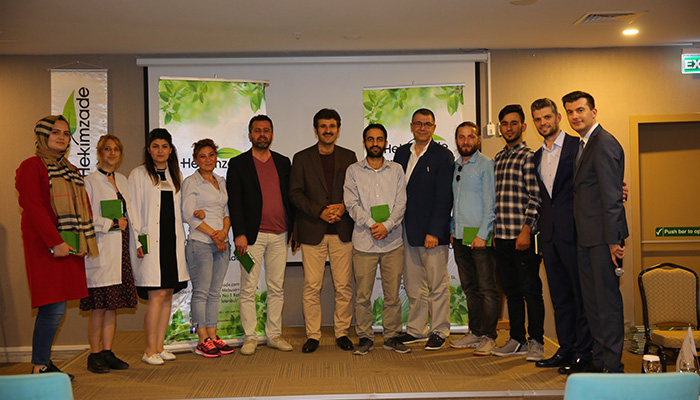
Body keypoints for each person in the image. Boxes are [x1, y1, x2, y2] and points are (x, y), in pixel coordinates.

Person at [16, 115, 99, 380]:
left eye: (65, 133)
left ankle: (43, 363)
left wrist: (82, 241)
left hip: (68, 245)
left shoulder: (71, 169)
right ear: (42, 136)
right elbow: (33, 208)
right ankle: (40, 366)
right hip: (45, 246)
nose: (62, 137)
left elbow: (82, 207)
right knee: (51, 307)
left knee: (57, 307)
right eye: (55, 132)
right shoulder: (31, 166)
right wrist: (55, 242)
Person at [563, 90, 628, 373]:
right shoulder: (585, 144)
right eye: (570, 112)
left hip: (603, 240)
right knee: (593, 305)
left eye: (580, 110)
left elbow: (612, 196)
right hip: (587, 238)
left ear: (593, 112)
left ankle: (612, 367)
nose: (575, 116)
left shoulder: (603, 142)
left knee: (607, 305)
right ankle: (600, 361)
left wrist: (614, 241)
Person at [530, 98, 593, 373]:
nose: (543, 123)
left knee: (580, 297)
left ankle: (583, 352)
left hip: (576, 234)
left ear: (557, 117)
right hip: (550, 237)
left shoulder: (578, 146)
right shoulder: (536, 156)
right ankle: (565, 348)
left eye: (547, 117)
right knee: (560, 299)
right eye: (537, 119)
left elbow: (592, 182)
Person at [290, 108, 357, 353]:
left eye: (332, 126)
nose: (328, 130)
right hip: (312, 230)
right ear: (316, 129)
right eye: (323, 126)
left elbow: (356, 191)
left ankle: (342, 332)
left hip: (342, 231)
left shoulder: (349, 156)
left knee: (344, 286)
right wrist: (319, 211)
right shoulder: (301, 158)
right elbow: (295, 193)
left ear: (338, 130)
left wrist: (343, 207)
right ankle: (313, 335)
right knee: (312, 286)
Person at [227, 115, 295, 355]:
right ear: (250, 135)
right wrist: (239, 233)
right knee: (248, 288)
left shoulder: (283, 162)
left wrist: (294, 230)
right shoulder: (238, 164)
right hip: (251, 238)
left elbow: (291, 198)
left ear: (272, 135)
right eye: (257, 130)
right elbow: (235, 202)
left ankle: (274, 334)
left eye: (266, 130)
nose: (262, 134)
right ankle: (250, 337)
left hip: (280, 234)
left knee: (277, 287)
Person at [343, 123, 409, 355]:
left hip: (392, 242)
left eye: (379, 139)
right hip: (364, 242)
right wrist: (373, 225)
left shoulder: (397, 170)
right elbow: (351, 204)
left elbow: (401, 203)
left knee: (393, 295)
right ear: (364, 143)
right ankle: (365, 337)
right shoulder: (353, 171)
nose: (375, 143)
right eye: (370, 139)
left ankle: (392, 336)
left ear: (386, 143)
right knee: (362, 296)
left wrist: (387, 226)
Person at [394, 108, 454, 351]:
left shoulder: (443, 155)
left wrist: (435, 231)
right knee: (413, 284)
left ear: (434, 128)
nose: (422, 128)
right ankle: (416, 330)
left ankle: (440, 330)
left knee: (437, 284)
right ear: (411, 127)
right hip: (407, 230)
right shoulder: (401, 153)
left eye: (427, 124)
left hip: (432, 233)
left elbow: (444, 196)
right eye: (418, 124)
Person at [128, 128, 189, 365]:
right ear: (149, 150)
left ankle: (160, 346)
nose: (160, 151)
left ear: (171, 150)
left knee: (167, 296)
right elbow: (132, 210)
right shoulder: (138, 174)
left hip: (171, 243)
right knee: (156, 295)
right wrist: (138, 241)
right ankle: (149, 350)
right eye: (155, 146)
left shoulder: (175, 175)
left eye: (164, 146)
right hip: (151, 243)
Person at [491, 104, 544, 361]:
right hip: (501, 237)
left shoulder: (529, 157)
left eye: (514, 123)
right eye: (504, 123)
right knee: (511, 291)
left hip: (523, 237)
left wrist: (526, 231)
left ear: (523, 126)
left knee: (530, 291)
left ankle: (537, 341)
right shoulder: (498, 159)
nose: (509, 128)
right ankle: (517, 339)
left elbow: (535, 197)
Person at [80, 134, 138, 373]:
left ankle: (107, 351)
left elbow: (132, 214)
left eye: (116, 149)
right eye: (107, 149)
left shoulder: (122, 180)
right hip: (102, 250)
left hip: (121, 250)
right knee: (99, 307)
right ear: (99, 152)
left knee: (112, 306)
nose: (112, 153)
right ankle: (94, 354)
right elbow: (85, 216)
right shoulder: (89, 182)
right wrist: (111, 224)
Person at [448, 122, 498, 356]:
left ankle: (489, 336)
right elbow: (455, 202)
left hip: (480, 238)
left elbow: (490, 203)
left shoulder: (486, 164)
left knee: (486, 288)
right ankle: (475, 332)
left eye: (470, 137)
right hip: (460, 236)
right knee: (470, 288)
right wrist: (452, 229)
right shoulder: (456, 165)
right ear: (456, 140)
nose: (466, 141)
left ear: (478, 139)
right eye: (461, 137)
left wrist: (482, 234)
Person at [182, 138, 233, 358]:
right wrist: (214, 234)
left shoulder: (221, 181)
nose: (207, 159)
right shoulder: (191, 182)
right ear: (195, 160)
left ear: (216, 157)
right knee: (201, 292)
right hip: (200, 243)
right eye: (202, 156)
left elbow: (226, 213)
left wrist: (223, 233)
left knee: (215, 292)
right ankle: (202, 339)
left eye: (211, 155)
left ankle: (213, 335)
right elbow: (188, 215)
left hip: (222, 243)